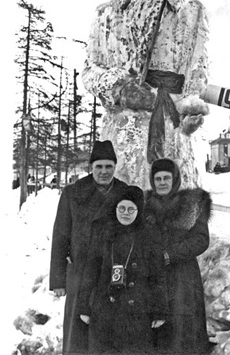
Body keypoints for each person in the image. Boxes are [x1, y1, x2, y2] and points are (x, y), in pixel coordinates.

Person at [82, 0, 209, 190]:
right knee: (122, 205)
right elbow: (89, 70)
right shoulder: (106, 13)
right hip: (122, 127)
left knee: (170, 202)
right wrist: (120, 88)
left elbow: (198, 69)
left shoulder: (190, 11)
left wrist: (191, 110)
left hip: (170, 121)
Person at [49, 140, 129, 355]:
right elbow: (60, 237)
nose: (104, 172)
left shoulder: (125, 192)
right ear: (91, 167)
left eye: (108, 166)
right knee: (77, 334)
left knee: (109, 331)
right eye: (99, 167)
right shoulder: (73, 193)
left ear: (115, 167)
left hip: (112, 272)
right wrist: (58, 279)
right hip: (80, 272)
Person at [78, 185, 167, 354]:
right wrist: (84, 307)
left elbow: (157, 276)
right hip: (105, 310)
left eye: (131, 209)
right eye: (122, 208)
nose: (125, 213)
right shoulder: (103, 233)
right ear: (116, 208)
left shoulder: (149, 235)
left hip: (137, 312)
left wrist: (159, 311)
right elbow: (91, 271)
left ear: (139, 210)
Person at [144, 158, 212, 354]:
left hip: (183, 279)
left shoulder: (192, 204)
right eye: (158, 179)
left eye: (167, 178)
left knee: (183, 331)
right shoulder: (144, 205)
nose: (162, 182)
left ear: (175, 180)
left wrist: (170, 254)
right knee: (156, 331)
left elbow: (201, 239)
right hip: (153, 277)